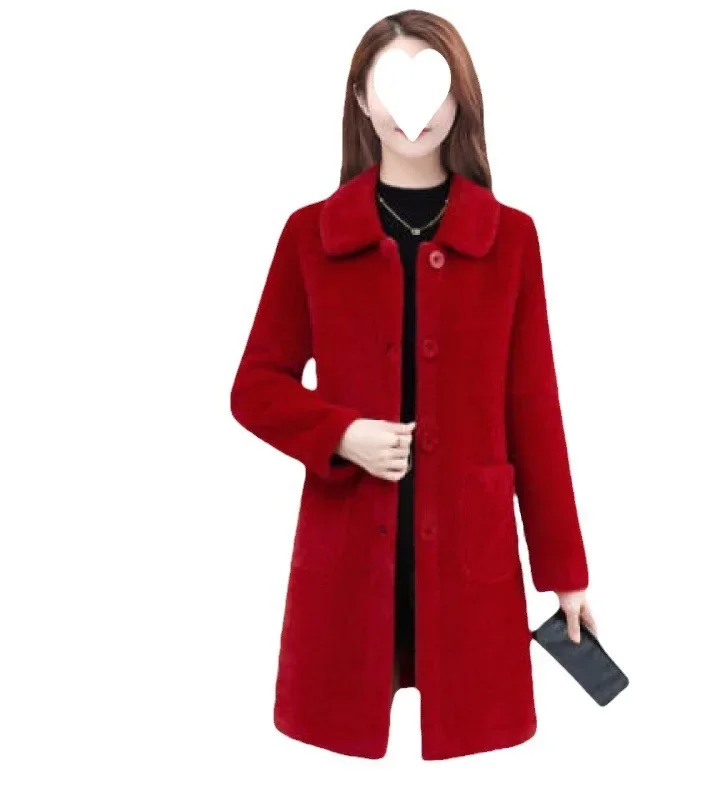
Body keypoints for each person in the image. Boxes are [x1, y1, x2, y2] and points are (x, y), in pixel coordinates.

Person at [230, 9, 597, 761]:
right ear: (360, 100)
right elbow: (256, 386)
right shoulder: (310, 235)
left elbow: (534, 411)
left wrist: (566, 575)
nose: (413, 108)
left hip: (469, 553)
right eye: (390, 85)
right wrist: (341, 434)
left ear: (460, 98)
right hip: (347, 555)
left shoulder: (510, 239)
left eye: (434, 84)